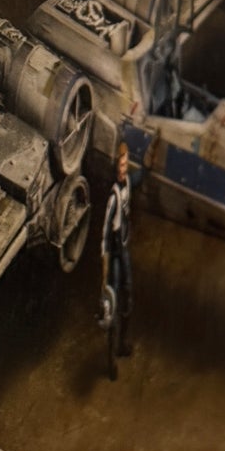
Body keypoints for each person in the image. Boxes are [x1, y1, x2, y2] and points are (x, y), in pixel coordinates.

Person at [101, 143, 135, 378]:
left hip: (125, 250)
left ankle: (122, 344)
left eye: (124, 165)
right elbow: (104, 234)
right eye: (119, 166)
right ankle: (111, 360)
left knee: (128, 295)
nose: (122, 170)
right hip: (114, 254)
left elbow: (139, 177)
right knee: (112, 306)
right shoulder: (113, 196)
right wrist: (104, 270)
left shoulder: (128, 183)